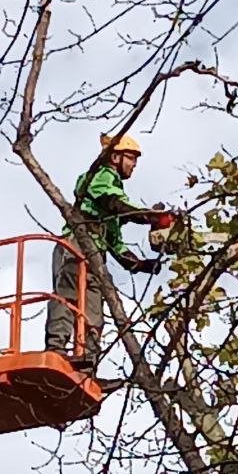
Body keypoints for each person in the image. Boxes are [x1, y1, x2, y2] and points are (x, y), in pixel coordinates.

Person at [45, 133, 168, 371]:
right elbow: (114, 204)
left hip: (95, 256)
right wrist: (151, 216)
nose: (134, 165)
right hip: (75, 246)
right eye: (131, 158)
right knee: (67, 297)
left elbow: (117, 246)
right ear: (115, 157)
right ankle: (56, 351)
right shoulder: (100, 176)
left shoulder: (111, 209)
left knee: (94, 312)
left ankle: (87, 367)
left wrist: (144, 264)